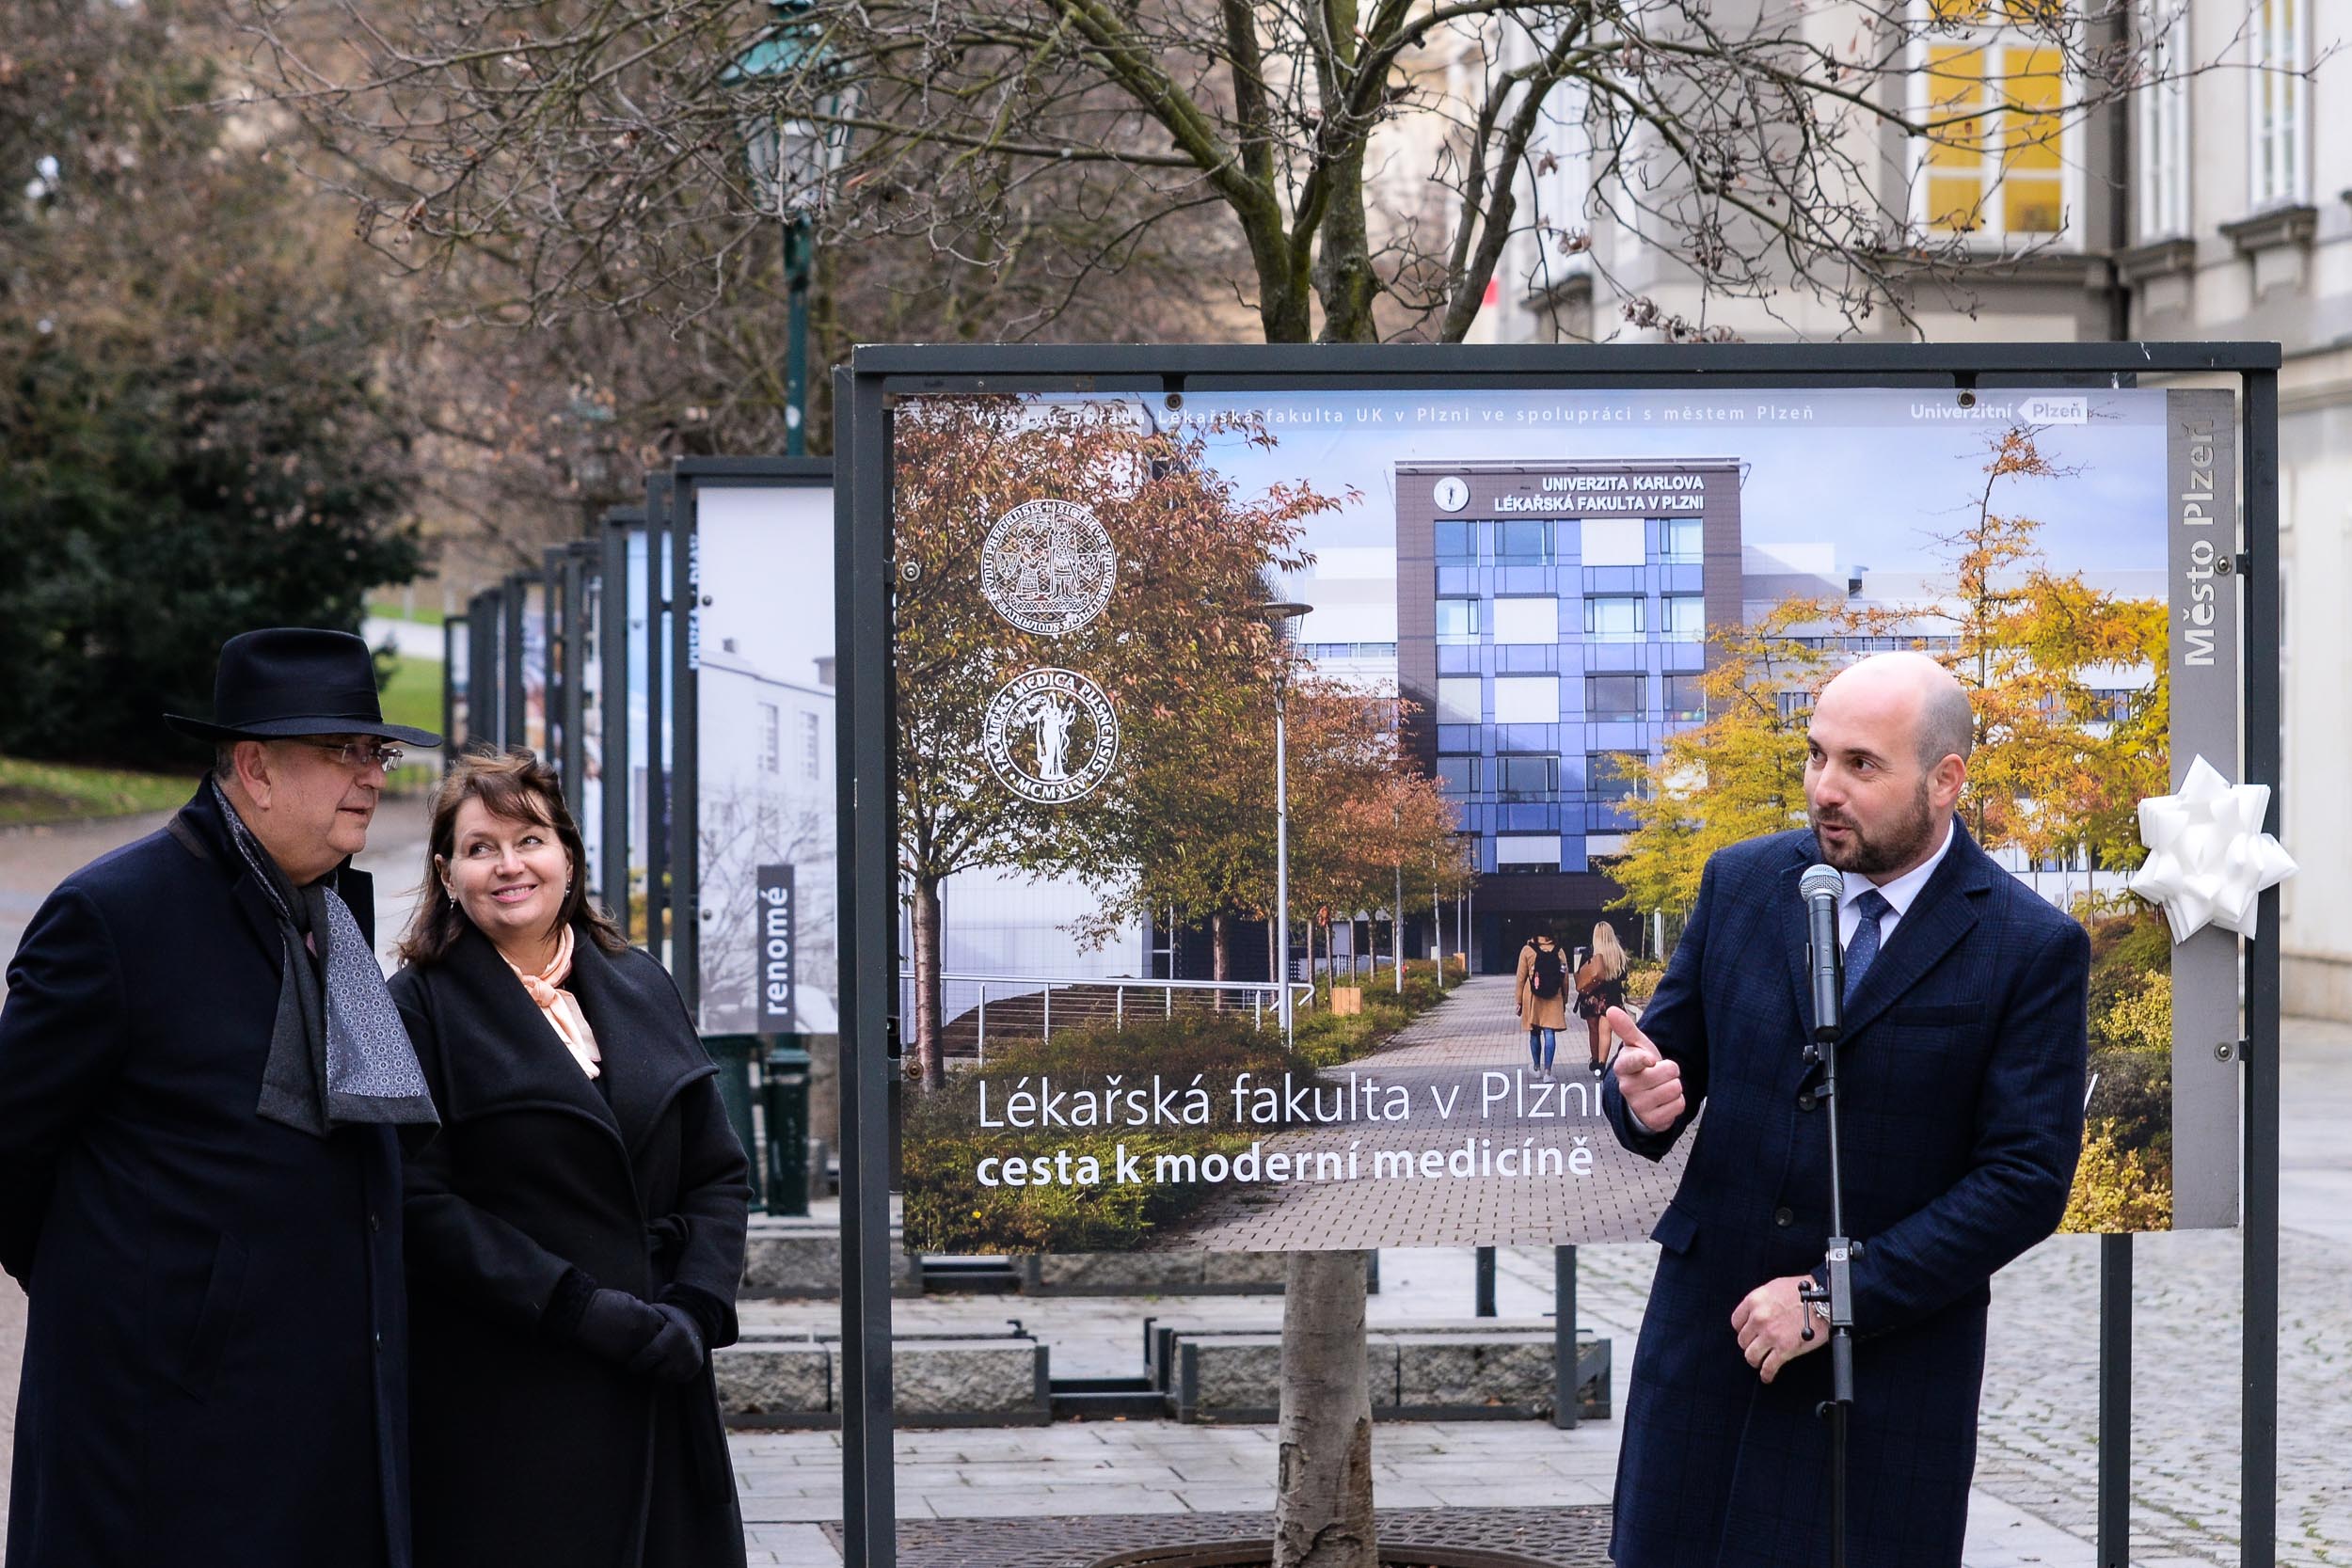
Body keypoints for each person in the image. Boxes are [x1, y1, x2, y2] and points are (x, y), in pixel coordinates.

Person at [1599, 652, 2090, 1568]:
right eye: (1816, 755)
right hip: (1705, 1353)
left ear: (1945, 779)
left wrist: (1833, 1297)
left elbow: (2024, 1179)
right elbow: (1660, 1069)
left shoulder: (2029, 945)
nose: (1825, 786)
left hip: (1885, 1383)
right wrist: (1640, 1097)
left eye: (1860, 764)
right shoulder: (1741, 883)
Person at [0, 627, 442, 1567]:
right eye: (342, 752)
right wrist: (154, 1298)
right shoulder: (117, 916)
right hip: (160, 1430)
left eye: (378, 752)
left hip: (312, 1418)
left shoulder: (328, 912)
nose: (371, 776)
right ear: (255, 767)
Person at [389, 749, 752, 1568]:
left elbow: (718, 1172)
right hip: (517, 1399)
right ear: (448, 874)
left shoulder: (640, 982)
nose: (509, 865)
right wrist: (580, 1308)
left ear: (569, 857)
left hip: (663, 1376)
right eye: (481, 848)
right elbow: (420, 1203)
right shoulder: (416, 1009)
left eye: (530, 839)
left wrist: (695, 1308)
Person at [1574, 921, 1629, 1076]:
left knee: (1593, 1031)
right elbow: (1623, 975)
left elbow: (1581, 973)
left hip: (1591, 997)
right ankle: (1602, 1065)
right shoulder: (1618, 953)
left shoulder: (1590, 953)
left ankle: (1595, 1058)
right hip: (1611, 997)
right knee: (1605, 1032)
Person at [1515, 929, 1570, 1080]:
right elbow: (1565, 978)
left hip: (1533, 996)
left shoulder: (1528, 950)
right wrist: (1564, 999)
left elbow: (1521, 978)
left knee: (1534, 1032)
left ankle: (1536, 1067)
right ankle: (1548, 1073)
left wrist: (1518, 1000)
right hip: (1554, 996)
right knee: (1549, 1032)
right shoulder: (1559, 951)